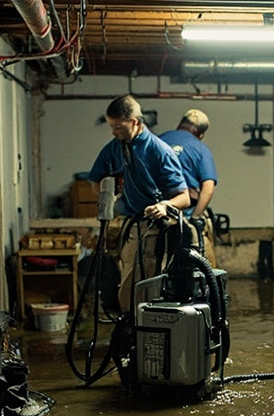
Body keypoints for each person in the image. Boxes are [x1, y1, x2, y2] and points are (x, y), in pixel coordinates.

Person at [86, 94, 190, 313]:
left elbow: (184, 197)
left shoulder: (158, 151)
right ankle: (131, 330)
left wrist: (163, 205)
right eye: (112, 127)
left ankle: (146, 333)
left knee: (146, 285)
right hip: (132, 225)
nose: (114, 132)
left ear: (135, 122)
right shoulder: (115, 147)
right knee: (129, 284)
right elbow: (95, 179)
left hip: (156, 227)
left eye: (118, 127)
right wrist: (110, 195)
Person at [158, 109, 220, 267]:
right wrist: (195, 216)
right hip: (185, 216)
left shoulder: (157, 142)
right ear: (201, 134)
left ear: (180, 124)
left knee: (154, 266)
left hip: (156, 215)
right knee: (204, 265)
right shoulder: (201, 149)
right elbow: (208, 188)